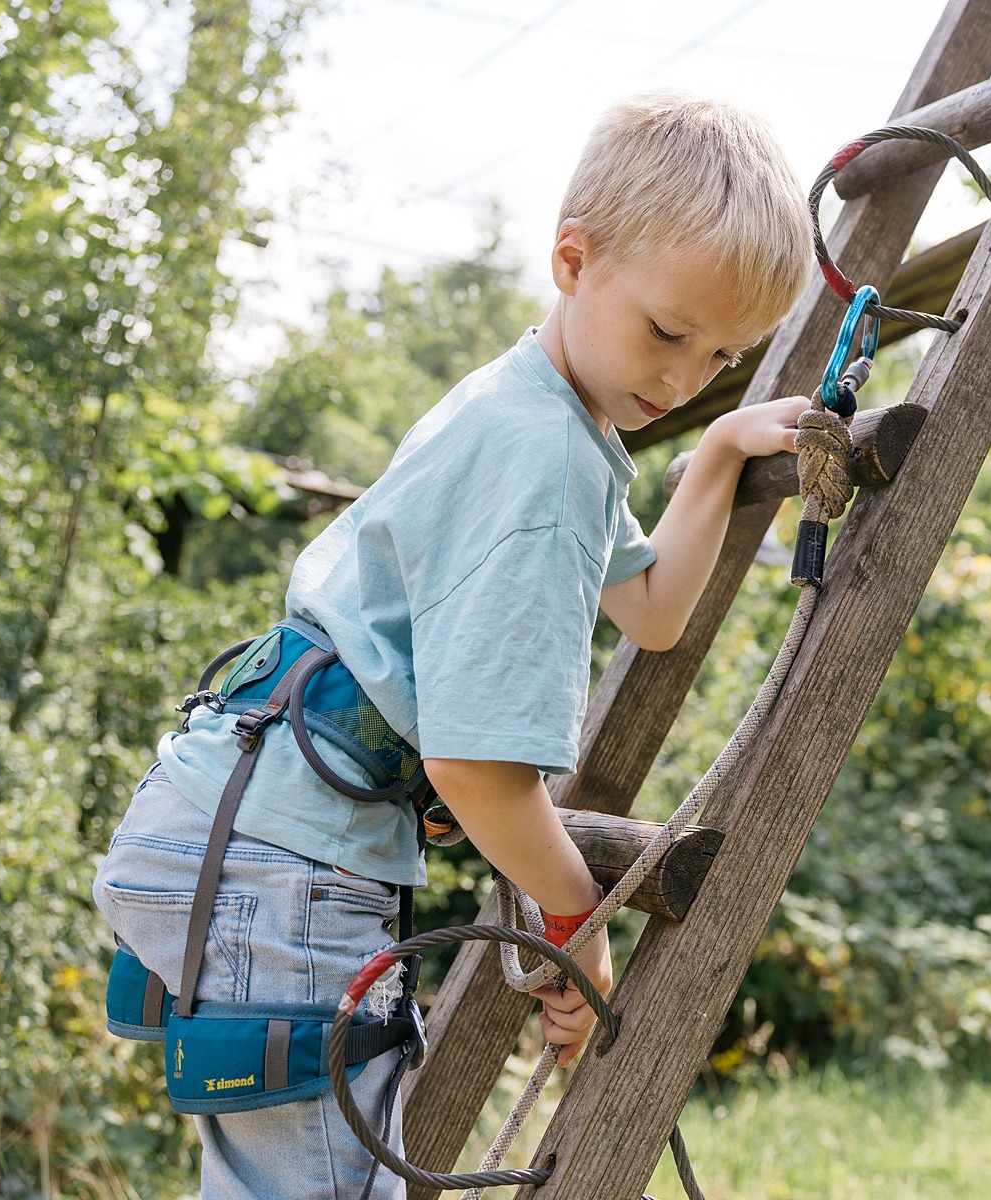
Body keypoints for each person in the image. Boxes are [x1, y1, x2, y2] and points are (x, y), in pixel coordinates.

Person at [92, 90, 815, 1199]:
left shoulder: (529, 410)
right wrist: (576, 921)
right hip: (281, 864)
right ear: (573, 259)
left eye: (721, 358)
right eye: (669, 333)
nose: (679, 379)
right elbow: (475, 770)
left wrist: (713, 455)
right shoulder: (544, 459)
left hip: (235, 827)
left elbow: (655, 611)